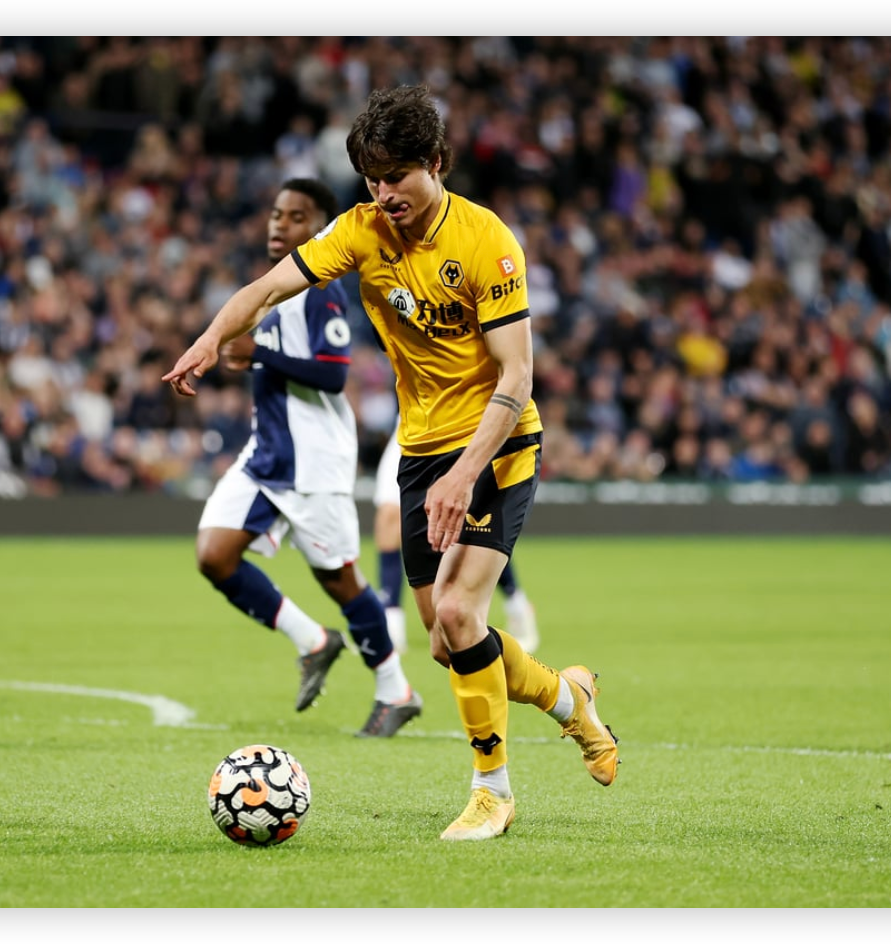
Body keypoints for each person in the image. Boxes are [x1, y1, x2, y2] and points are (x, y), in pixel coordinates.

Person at [164, 86, 619, 841]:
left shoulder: (487, 242)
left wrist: (466, 470)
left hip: (497, 445)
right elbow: (269, 287)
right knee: (447, 642)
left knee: (458, 613)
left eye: (397, 176)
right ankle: (570, 699)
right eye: (372, 179)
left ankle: (493, 793)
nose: (384, 193)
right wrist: (212, 338)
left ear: (435, 164)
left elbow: (517, 377)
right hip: (420, 450)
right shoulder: (362, 230)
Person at [191, 177, 423, 738]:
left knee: (341, 581)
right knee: (214, 555)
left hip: (314, 461)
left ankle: (397, 690)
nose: (279, 224)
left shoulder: (322, 290)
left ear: (318, 228)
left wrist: (260, 352)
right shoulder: (271, 289)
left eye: (296, 217)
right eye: (276, 214)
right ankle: (313, 641)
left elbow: (334, 371)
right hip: (266, 454)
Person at [373, 422, 539, 654]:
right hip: (414, 425)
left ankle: (516, 602)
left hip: (466, 423)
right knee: (389, 516)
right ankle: (391, 619)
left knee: (472, 527)